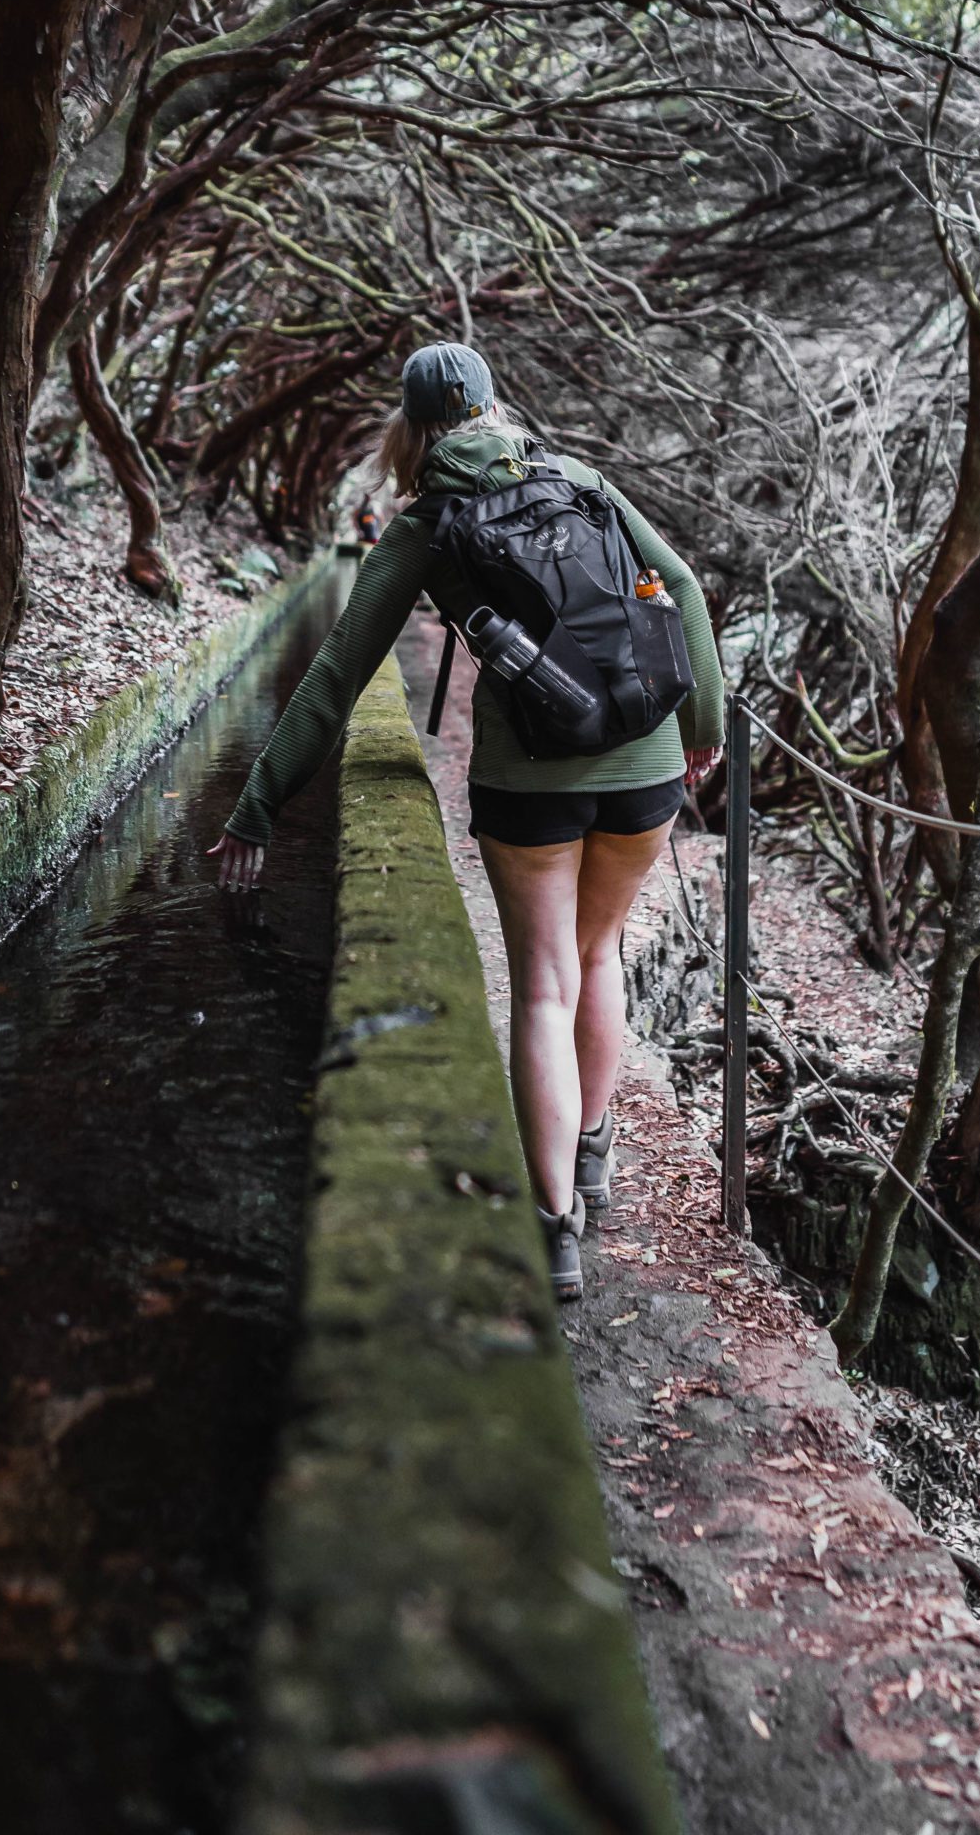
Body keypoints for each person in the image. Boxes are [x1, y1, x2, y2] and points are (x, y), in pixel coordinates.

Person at [210, 342, 723, 1302]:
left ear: (410, 425)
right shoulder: (578, 478)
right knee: (599, 954)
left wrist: (257, 807)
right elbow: (684, 587)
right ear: (493, 403)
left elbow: (336, 678)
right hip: (648, 758)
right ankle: (595, 1152)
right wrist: (703, 732)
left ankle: (555, 1226)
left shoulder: (424, 525)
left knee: (541, 982)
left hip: (530, 773)